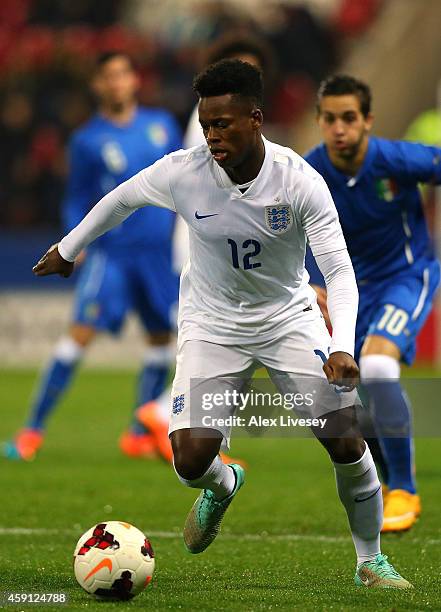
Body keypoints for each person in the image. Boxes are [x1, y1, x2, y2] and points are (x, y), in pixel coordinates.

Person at [33, 59, 411, 588]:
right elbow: (121, 199)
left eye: (224, 124)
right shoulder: (183, 171)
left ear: (255, 119)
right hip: (211, 324)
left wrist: (343, 346)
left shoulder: (300, 181)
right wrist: (69, 249)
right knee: (189, 460)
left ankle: (370, 561)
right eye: (206, 124)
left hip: (287, 320)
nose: (212, 136)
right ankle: (224, 481)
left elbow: (340, 271)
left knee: (344, 439)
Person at [5, 51, 182, 461]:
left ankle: (139, 432)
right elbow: (76, 199)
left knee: (162, 338)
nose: (117, 82)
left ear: (134, 80)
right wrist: (75, 242)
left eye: (123, 73)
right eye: (109, 76)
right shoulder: (87, 140)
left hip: (157, 254)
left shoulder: (161, 126)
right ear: (98, 86)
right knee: (80, 333)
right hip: (113, 255)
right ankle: (31, 430)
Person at [305, 75, 441, 532]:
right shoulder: (308, 172)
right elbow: (287, 230)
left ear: (367, 121)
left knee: (379, 367)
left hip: (407, 276)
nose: (339, 128)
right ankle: (388, 484)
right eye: (330, 119)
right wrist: (310, 282)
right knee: (346, 394)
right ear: (320, 122)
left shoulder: (395, 159)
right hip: (349, 294)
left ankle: (405, 489)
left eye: (349, 118)